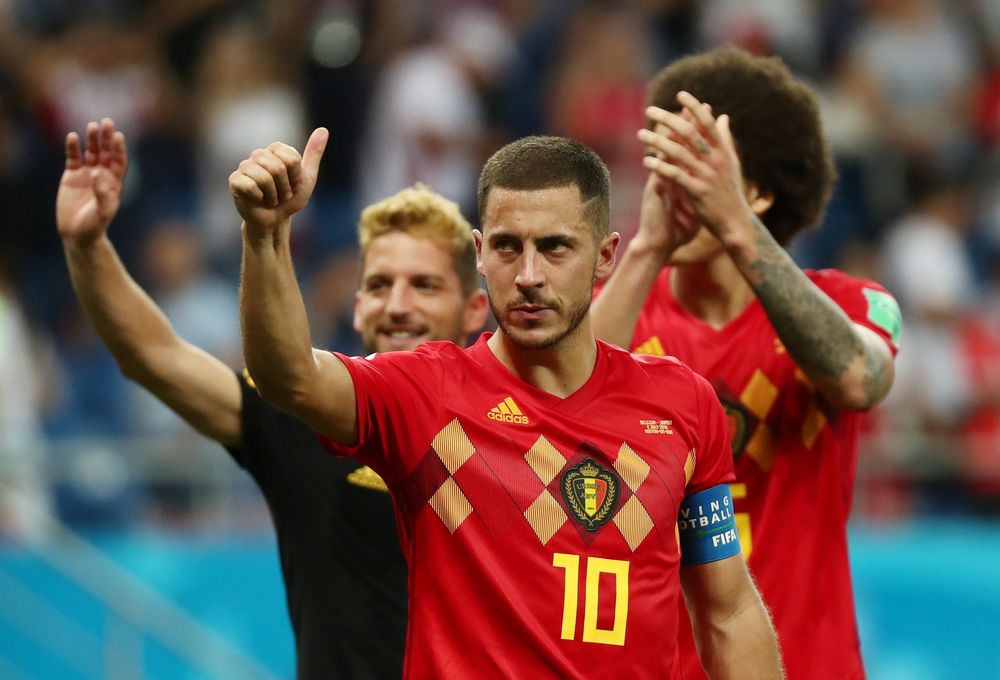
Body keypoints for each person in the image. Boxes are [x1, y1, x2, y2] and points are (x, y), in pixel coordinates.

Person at [234, 128, 784, 678]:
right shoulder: (425, 393)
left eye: (554, 246)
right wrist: (266, 236)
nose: (527, 275)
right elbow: (291, 378)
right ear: (479, 253)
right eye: (506, 246)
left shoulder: (682, 404)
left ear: (605, 256)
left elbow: (727, 611)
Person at [55, 118, 489, 679]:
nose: (398, 305)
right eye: (380, 285)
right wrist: (86, 246)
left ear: (475, 311)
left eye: (424, 285)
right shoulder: (298, 413)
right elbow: (152, 354)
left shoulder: (510, 424)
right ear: (357, 307)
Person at [591, 46, 901, 679]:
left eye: (696, 170)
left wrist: (735, 225)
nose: (673, 190)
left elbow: (857, 378)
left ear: (757, 192)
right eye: (663, 169)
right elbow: (545, 404)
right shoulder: (618, 312)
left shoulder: (848, 302)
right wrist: (647, 248)